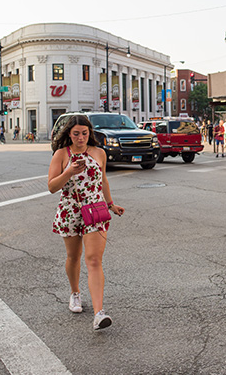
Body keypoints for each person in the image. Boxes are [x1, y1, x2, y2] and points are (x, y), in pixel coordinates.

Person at [48, 115, 125, 330]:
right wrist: (69, 171)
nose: (81, 138)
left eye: (84, 133)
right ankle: (75, 293)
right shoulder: (61, 154)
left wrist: (111, 204)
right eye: (76, 134)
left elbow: (103, 180)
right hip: (70, 210)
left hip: (95, 209)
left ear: (89, 133)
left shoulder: (99, 153)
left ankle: (99, 313)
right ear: (69, 135)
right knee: (74, 257)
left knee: (94, 260)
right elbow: (52, 187)